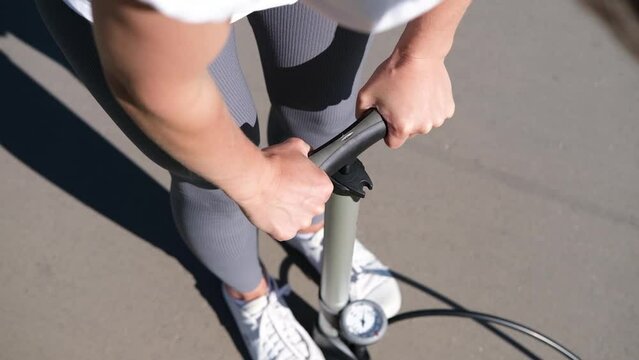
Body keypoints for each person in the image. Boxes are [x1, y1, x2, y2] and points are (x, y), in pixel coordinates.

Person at [36, 0, 470, 358]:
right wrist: (256, 183)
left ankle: (308, 225)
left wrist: (423, 52)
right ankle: (249, 293)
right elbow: (152, 84)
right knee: (215, 180)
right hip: (141, 23)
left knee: (325, 121)